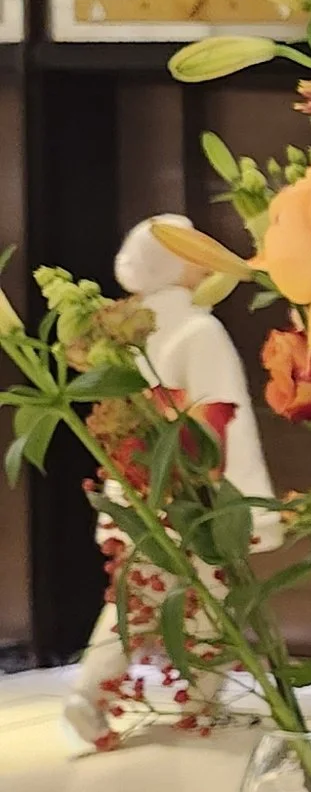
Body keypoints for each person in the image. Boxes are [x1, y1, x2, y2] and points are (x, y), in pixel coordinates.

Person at [65, 218, 278, 747]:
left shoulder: (124, 334)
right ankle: (199, 703)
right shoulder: (199, 329)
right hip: (195, 491)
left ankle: (92, 695)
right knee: (210, 594)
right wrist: (247, 501)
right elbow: (224, 418)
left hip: (138, 487)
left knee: (136, 597)